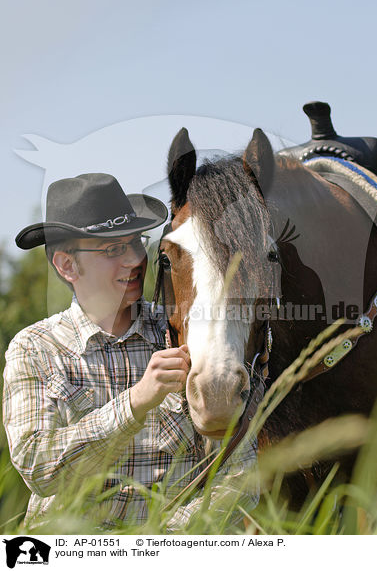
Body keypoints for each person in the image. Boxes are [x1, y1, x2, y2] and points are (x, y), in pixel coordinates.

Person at [3, 173, 258, 530]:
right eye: (112, 249)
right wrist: (137, 401)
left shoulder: (183, 329)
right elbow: (39, 468)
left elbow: (240, 470)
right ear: (67, 265)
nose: (136, 259)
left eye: (136, 242)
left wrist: (159, 542)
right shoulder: (35, 348)